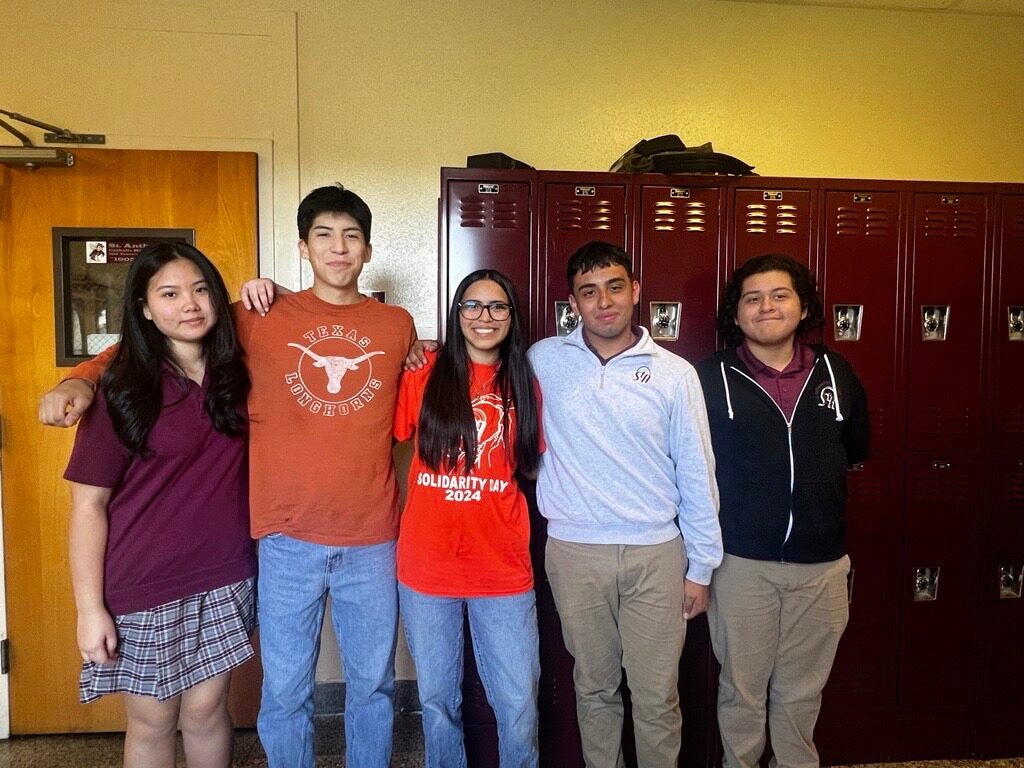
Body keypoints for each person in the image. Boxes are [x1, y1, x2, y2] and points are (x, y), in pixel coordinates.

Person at [40, 184, 417, 768]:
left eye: (351, 236)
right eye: (324, 235)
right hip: (283, 541)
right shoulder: (256, 317)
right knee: (285, 693)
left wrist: (431, 348)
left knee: (370, 689)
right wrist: (82, 378)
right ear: (303, 247)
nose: (338, 248)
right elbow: (152, 343)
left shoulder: (397, 325)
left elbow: (419, 380)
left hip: (370, 537)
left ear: (367, 250)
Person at [528, 241, 722, 768]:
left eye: (615, 287)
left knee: (657, 696)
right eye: (589, 292)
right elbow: (471, 368)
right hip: (574, 553)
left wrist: (701, 567)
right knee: (594, 689)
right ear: (573, 302)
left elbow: (696, 471)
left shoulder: (674, 373)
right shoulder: (543, 360)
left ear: (636, 291)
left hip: (656, 555)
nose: (604, 302)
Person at [63, 242, 256, 768]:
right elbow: (87, 507)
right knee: (152, 720)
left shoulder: (239, 373)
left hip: (226, 575)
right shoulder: (122, 387)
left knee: (209, 710)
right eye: (169, 294)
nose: (189, 305)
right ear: (145, 308)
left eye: (199, 290)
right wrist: (89, 608)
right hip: (143, 582)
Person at [694, 254, 869, 768]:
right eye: (753, 298)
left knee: (801, 695)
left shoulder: (837, 372)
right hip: (742, 565)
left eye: (779, 295)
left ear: (803, 305)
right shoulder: (708, 377)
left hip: (822, 568)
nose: (766, 307)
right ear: (737, 312)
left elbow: (852, 451)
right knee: (742, 693)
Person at [394, 268, 543, 767]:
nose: (485, 317)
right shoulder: (424, 372)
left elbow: (527, 463)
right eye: (473, 306)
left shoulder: (524, 382)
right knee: (438, 704)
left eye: (498, 306)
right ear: (457, 314)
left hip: (501, 569)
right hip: (427, 568)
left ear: (512, 317)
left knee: (519, 704)